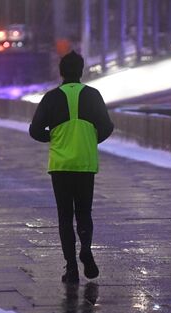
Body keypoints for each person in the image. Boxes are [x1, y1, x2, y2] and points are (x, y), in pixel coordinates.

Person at [29, 50, 114, 283]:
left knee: (65, 217)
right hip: (85, 165)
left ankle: (71, 269)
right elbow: (107, 126)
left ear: (61, 72)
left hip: (61, 165)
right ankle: (85, 248)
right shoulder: (93, 95)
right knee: (84, 213)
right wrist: (89, 141)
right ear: (81, 71)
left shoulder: (51, 98)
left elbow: (35, 131)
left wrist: (55, 139)